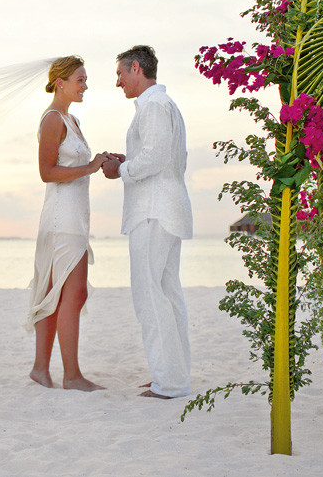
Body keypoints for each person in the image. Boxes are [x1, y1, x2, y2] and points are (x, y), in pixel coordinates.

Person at [101, 45, 193, 399]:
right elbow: (165, 156)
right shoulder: (163, 106)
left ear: (136, 68)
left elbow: (155, 157)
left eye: (121, 75)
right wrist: (130, 160)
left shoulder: (154, 106)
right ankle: (172, 374)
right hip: (164, 208)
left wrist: (121, 169)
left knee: (150, 297)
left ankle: (169, 382)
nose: (118, 83)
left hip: (154, 211)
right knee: (167, 295)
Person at [27, 56, 110, 391]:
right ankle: (72, 376)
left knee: (57, 292)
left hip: (75, 215)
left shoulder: (72, 119)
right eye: (80, 79)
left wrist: (101, 162)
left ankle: (40, 370)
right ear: (60, 82)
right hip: (62, 218)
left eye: (86, 79)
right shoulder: (51, 120)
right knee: (72, 293)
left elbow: (77, 163)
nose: (85, 85)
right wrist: (89, 168)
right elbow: (47, 173)